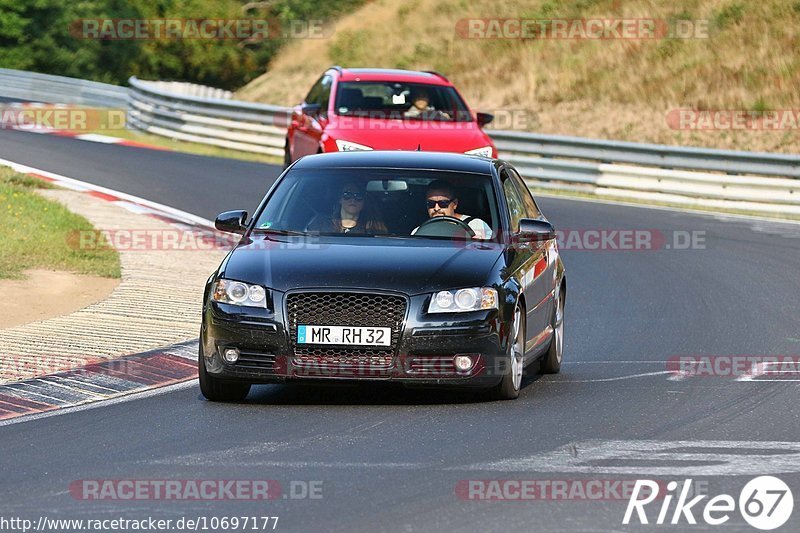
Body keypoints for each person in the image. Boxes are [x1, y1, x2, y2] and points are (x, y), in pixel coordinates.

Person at [412, 180, 492, 239]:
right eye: (431, 204)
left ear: (455, 204)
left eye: (443, 203)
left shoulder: (476, 225)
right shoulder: (418, 232)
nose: (436, 208)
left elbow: (492, 254)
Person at [307, 181, 387, 234]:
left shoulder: (374, 228)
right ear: (340, 199)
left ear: (364, 202)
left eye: (358, 196)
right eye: (347, 195)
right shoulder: (320, 223)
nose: (353, 199)